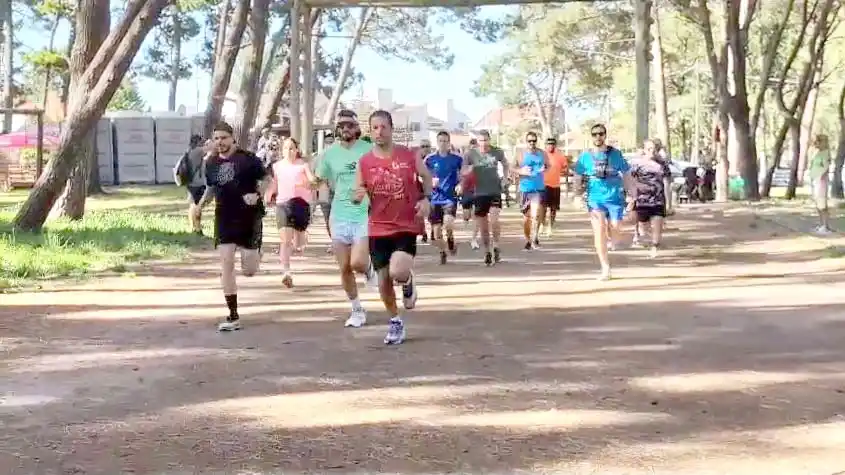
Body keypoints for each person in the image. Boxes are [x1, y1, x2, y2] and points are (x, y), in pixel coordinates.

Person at [354, 109, 432, 345]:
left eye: (383, 127)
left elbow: (426, 177)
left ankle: (407, 282)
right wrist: (357, 195)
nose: (379, 132)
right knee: (384, 279)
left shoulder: (409, 155)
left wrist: (426, 199)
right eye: (374, 127)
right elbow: (359, 190)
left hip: (406, 224)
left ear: (391, 129)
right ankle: (395, 321)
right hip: (378, 227)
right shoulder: (365, 161)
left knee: (397, 271)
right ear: (370, 131)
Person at [196, 122, 269, 331]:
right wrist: (201, 205)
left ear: (232, 138)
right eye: (216, 138)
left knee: (249, 271)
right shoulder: (210, 163)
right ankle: (233, 315)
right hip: (224, 217)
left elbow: (266, 179)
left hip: (249, 218)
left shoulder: (248, 159)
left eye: (224, 138)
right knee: (226, 264)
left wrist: (258, 195)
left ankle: (257, 253)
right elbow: (211, 187)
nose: (220, 142)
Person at [313, 109, 378, 328]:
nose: (345, 129)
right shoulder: (330, 154)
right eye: (341, 125)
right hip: (339, 214)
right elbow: (322, 180)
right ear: (336, 128)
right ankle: (357, 309)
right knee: (344, 268)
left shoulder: (369, 150)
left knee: (357, 262)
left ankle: (369, 269)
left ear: (357, 127)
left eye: (350, 125)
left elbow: (380, 176)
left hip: (363, 214)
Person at [573, 123, 634, 281]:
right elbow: (577, 176)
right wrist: (577, 195)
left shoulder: (615, 154)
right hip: (595, 199)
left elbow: (626, 173)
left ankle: (611, 235)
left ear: (605, 135)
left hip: (615, 198)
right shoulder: (585, 157)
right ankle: (605, 267)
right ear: (591, 137)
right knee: (598, 231)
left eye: (601, 134)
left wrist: (631, 194)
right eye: (594, 134)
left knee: (616, 229)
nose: (598, 137)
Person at [267, 137, 317, 287]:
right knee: (285, 240)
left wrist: (307, 183)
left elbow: (313, 182)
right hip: (283, 204)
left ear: (296, 150)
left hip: (301, 204)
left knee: (299, 242)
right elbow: (274, 184)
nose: (288, 151)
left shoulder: (303, 165)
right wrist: (269, 195)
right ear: (281, 151)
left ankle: (302, 237)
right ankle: (286, 272)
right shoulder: (276, 166)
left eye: (291, 148)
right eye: (285, 148)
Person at [461, 130, 509, 265]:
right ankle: (487, 251)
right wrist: (468, 170)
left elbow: (505, 164)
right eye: (481, 140)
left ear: (489, 140)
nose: (483, 143)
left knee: (494, 220)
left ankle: (496, 246)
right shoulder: (470, 154)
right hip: (479, 193)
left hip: (494, 190)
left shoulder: (497, 152)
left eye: (486, 140)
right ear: (477, 141)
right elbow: (463, 171)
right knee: (483, 227)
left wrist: (505, 178)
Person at [425, 131, 463, 264]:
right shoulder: (430, 159)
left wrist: (461, 184)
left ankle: (451, 239)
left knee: (448, 224)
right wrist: (430, 181)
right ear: (437, 142)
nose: (443, 143)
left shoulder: (457, 159)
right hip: (435, 199)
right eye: (440, 141)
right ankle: (442, 252)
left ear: (449, 142)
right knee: (436, 233)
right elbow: (420, 175)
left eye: (445, 141)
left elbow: (463, 174)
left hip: (449, 198)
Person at [629, 139, 672, 258]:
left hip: (658, 200)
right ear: (644, 150)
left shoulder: (662, 164)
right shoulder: (636, 164)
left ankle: (655, 246)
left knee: (657, 224)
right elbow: (631, 181)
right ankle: (644, 237)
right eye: (649, 149)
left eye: (654, 149)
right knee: (644, 227)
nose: (652, 151)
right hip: (642, 200)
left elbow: (667, 183)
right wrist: (631, 198)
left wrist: (669, 203)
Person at [514, 131, 547, 250]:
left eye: (534, 141)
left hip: (538, 188)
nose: (532, 143)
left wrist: (544, 168)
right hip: (525, 188)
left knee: (536, 214)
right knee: (527, 217)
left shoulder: (542, 153)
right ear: (526, 142)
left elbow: (548, 165)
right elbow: (513, 168)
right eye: (530, 141)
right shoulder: (520, 154)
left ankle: (534, 238)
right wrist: (521, 171)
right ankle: (528, 239)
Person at [179, 135, 209, 235]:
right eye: (201, 142)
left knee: (192, 205)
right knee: (197, 206)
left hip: (191, 182)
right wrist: (210, 143)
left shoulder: (189, 151)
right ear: (197, 143)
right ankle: (197, 228)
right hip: (197, 183)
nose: (203, 144)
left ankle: (193, 226)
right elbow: (210, 148)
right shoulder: (197, 151)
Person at [539, 137, 568, 237]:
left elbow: (565, 167)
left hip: (555, 185)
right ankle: (542, 224)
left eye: (552, 144)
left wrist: (563, 171)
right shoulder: (542, 155)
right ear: (546, 145)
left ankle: (550, 227)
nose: (550, 145)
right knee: (542, 207)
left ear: (555, 145)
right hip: (544, 185)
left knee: (553, 208)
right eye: (548, 144)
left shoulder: (560, 156)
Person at [313, 133, 336, 254]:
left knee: (337, 218)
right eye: (328, 142)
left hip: (338, 192)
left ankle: (338, 243)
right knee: (328, 218)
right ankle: (334, 241)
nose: (330, 144)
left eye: (332, 141)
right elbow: (313, 175)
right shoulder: (318, 157)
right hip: (324, 192)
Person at [808, 134, 833, 234]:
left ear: (823, 142)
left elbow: (826, 167)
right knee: (818, 204)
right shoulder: (817, 153)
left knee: (822, 204)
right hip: (815, 180)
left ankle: (825, 226)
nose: (816, 144)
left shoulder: (826, 153)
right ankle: (821, 224)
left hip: (821, 181)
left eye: (818, 142)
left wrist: (820, 177)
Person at [460, 138, 480, 250]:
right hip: (467, 190)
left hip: (478, 190)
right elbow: (462, 172)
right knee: (467, 213)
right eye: (472, 146)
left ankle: (474, 239)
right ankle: (465, 220)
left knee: (476, 216)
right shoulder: (466, 157)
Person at [418, 139, 435, 243]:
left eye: (427, 146)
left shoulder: (433, 159)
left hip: (433, 189)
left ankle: (433, 231)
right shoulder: (416, 159)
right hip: (419, 189)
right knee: (420, 213)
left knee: (432, 212)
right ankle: (423, 232)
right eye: (423, 146)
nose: (425, 148)